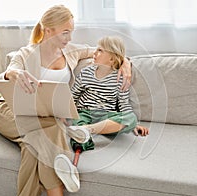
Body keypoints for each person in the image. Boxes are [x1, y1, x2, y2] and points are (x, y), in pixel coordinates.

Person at [0, 5, 132, 196]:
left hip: (43, 117)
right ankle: (66, 163)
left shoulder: (71, 51)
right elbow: (10, 70)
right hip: (10, 111)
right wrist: (15, 73)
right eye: (65, 32)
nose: (69, 38)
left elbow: (109, 53)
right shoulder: (26, 53)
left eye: (71, 32)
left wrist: (125, 63)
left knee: (33, 147)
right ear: (48, 30)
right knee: (53, 129)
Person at [54, 36, 149, 183]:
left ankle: (88, 130)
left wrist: (133, 125)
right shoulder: (85, 73)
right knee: (77, 130)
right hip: (84, 112)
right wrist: (64, 113)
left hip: (107, 116)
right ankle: (72, 168)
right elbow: (72, 97)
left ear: (112, 59)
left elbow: (124, 105)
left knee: (131, 118)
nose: (95, 52)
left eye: (100, 50)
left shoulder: (119, 78)